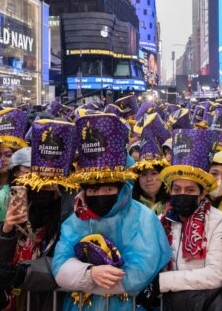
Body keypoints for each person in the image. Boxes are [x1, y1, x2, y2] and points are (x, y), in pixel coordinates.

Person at [51, 112, 170, 311]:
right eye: (93, 189)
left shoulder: (143, 218)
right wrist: (90, 273)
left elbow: (139, 273)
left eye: (108, 189)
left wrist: (87, 279)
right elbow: (60, 264)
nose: (100, 195)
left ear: (121, 186)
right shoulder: (77, 220)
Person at [0, 120, 78, 310]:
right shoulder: (16, 206)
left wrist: (24, 273)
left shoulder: (70, 212)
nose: (43, 189)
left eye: (50, 184)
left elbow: (69, 263)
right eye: (38, 183)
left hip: (52, 301)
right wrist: (5, 230)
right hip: (13, 299)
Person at [151, 128, 222, 310]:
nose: (182, 194)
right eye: (177, 189)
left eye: (190, 190)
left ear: (202, 194)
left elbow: (214, 275)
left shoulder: (217, 221)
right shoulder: (162, 220)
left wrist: (162, 281)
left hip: (202, 304)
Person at [130, 116, 171, 216]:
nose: (149, 179)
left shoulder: (173, 203)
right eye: (143, 174)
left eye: (154, 173)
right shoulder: (129, 205)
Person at [0, 146, 31, 223]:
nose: (33, 174)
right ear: (15, 172)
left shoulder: (50, 195)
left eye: (37, 170)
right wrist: (5, 228)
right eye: (27, 169)